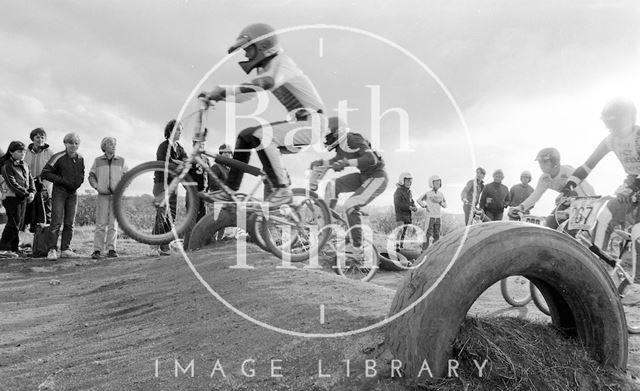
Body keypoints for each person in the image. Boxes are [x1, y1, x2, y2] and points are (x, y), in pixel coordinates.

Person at [200, 23, 325, 207]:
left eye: (248, 49)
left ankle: (282, 189)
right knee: (245, 135)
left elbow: (269, 82)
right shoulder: (264, 69)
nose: (246, 55)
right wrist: (218, 95)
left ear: (262, 46)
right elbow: (247, 96)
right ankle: (230, 190)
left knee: (262, 135)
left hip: (313, 123)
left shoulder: (283, 63)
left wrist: (224, 90)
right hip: (300, 124)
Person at [561, 98, 639, 248]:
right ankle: (597, 266)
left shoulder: (638, 135)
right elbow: (587, 166)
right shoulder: (610, 140)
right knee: (603, 220)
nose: (613, 129)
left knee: (637, 231)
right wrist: (568, 187)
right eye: (609, 125)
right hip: (632, 183)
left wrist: (634, 187)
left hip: (635, 184)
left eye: (617, 124)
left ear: (630, 119)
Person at [311, 117, 387, 255]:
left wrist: (346, 163)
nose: (326, 139)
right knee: (333, 185)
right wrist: (321, 163)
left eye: (328, 135)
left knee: (350, 205)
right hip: (364, 176)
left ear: (337, 132)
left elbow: (371, 159)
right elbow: (336, 160)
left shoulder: (353, 139)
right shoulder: (341, 147)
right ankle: (326, 226)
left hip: (377, 177)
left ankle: (357, 246)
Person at [510, 147, 595, 228]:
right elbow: (535, 196)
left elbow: (583, 196)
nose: (541, 165)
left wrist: (567, 213)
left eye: (544, 162)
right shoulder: (544, 179)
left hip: (588, 200)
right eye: (540, 162)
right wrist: (521, 207)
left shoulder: (568, 171)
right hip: (568, 201)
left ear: (555, 162)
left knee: (569, 230)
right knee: (549, 224)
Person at [41, 133, 85, 260]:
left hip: (73, 193)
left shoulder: (80, 158)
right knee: (56, 222)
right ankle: (52, 250)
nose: (74, 145)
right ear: (65, 143)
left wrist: (77, 183)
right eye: (71, 143)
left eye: (76, 143)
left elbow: (82, 174)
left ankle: (65, 249)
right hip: (59, 192)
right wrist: (63, 181)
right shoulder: (58, 157)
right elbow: (45, 173)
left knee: (70, 223)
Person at [88, 137, 128, 259]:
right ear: (104, 146)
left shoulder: (121, 160)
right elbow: (91, 176)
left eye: (115, 144)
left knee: (113, 224)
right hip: (102, 195)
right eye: (110, 144)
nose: (113, 146)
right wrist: (97, 187)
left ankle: (112, 249)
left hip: (116, 197)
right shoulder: (98, 160)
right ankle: (97, 250)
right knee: (100, 223)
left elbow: (128, 177)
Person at [153, 119, 188, 256]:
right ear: (170, 131)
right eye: (178, 129)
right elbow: (166, 164)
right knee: (162, 216)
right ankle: (154, 247)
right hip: (161, 184)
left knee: (171, 217)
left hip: (174, 186)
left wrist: (178, 162)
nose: (180, 132)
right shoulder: (163, 147)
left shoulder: (179, 148)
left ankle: (165, 246)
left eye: (181, 130)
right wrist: (178, 163)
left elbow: (187, 163)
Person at [0, 141, 35, 258]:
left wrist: (32, 192)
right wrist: (26, 193)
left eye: (24, 151)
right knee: (13, 223)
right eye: (19, 151)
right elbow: (11, 183)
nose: (22, 154)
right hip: (10, 197)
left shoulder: (25, 164)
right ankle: (3, 249)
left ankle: (14, 248)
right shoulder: (7, 165)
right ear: (11, 152)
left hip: (22, 198)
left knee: (19, 224)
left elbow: (30, 180)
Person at [22, 127, 54, 238]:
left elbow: (54, 170)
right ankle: (25, 240)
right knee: (28, 213)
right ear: (32, 138)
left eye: (42, 137)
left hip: (44, 186)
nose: (40, 139)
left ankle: (44, 240)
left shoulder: (49, 152)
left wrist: (45, 182)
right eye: (37, 137)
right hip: (28, 186)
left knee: (45, 212)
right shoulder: (26, 152)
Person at [208, 144, 233, 241]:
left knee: (223, 223)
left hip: (226, 200)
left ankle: (219, 241)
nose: (227, 154)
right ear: (220, 154)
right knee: (213, 222)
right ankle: (211, 241)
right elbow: (212, 183)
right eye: (225, 152)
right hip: (216, 198)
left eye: (229, 152)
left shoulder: (229, 170)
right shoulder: (216, 167)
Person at [417, 175, 447, 250]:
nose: (438, 184)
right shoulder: (427, 193)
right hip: (430, 216)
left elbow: (445, 205)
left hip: (438, 217)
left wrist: (439, 202)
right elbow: (419, 200)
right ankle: (423, 250)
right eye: (436, 183)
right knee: (427, 234)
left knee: (437, 235)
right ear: (431, 183)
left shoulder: (441, 194)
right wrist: (425, 206)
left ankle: (433, 250)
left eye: (439, 183)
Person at [394, 172, 417, 251]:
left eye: (410, 181)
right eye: (407, 181)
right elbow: (398, 203)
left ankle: (401, 245)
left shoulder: (409, 192)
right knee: (400, 230)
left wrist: (414, 206)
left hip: (407, 215)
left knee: (404, 231)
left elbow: (411, 201)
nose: (409, 183)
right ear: (402, 181)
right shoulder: (398, 192)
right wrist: (409, 207)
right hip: (400, 215)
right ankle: (396, 245)